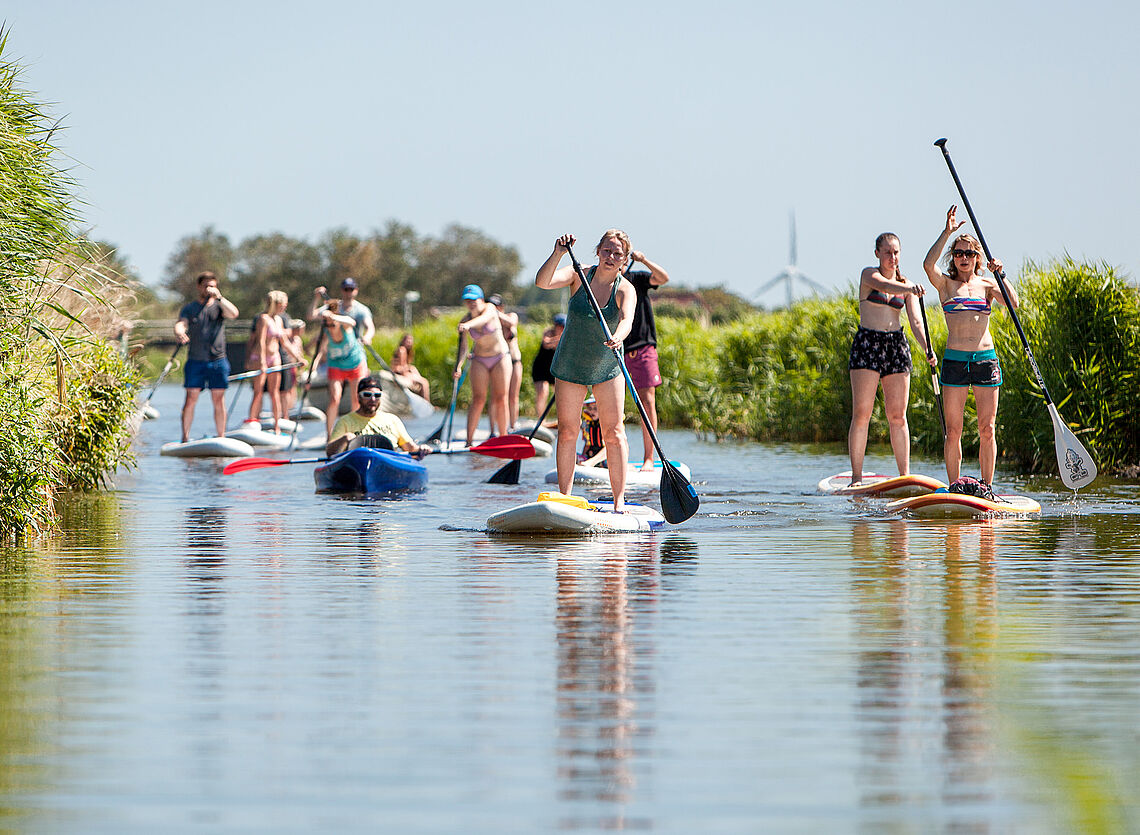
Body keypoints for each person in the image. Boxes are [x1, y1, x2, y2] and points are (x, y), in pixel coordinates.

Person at [536, 230, 637, 513]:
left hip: (607, 365)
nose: (611, 257)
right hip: (570, 364)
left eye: (617, 254)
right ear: (598, 251)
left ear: (624, 259)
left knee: (614, 432)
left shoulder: (624, 288)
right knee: (568, 432)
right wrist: (557, 252)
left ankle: (619, 502)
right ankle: (565, 498)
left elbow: (627, 319)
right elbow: (542, 282)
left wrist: (618, 336)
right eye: (606, 250)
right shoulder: (578, 275)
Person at [923, 205, 1017, 490]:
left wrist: (1001, 274)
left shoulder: (987, 285)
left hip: (984, 360)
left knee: (987, 429)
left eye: (969, 253)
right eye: (959, 253)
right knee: (953, 431)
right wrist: (947, 232)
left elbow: (1012, 303)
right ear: (954, 257)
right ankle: (954, 487)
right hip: (954, 361)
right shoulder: (946, 285)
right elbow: (928, 265)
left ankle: (987, 487)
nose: (964, 258)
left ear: (978, 258)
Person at [847, 233, 936, 485]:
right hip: (868, 344)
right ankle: (856, 477)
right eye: (887, 252)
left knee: (898, 416)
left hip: (896, 345)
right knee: (862, 413)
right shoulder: (869, 275)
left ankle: (904, 476)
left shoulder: (907, 284)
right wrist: (910, 288)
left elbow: (916, 321)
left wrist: (927, 348)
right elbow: (885, 287)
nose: (892, 257)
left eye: (896, 252)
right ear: (877, 253)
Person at [174, 271, 239, 443]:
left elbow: (233, 314)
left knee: (219, 399)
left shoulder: (219, 307)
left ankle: (221, 436)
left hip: (218, 360)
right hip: (196, 360)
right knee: (191, 398)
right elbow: (181, 323)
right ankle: (185, 438)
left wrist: (220, 298)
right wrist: (180, 332)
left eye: (212, 285)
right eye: (206, 285)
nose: (209, 289)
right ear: (199, 287)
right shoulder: (190, 308)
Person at [622, 249, 671, 470]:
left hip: (642, 348)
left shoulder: (637, 278)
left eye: (619, 255)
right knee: (607, 403)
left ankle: (649, 458)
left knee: (647, 401)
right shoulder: (604, 283)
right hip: (616, 349)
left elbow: (663, 278)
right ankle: (603, 455)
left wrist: (643, 260)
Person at [454, 284, 511, 445]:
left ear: (481, 299)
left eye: (474, 299)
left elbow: (484, 319)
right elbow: (463, 347)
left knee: (501, 398)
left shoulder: (490, 309)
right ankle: (469, 441)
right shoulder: (464, 320)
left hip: (500, 357)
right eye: (468, 300)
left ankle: (503, 437)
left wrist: (469, 326)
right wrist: (458, 365)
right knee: (478, 399)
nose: (471, 303)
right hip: (480, 359)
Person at [326, 376, 432, 458]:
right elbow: (329, 453)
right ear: (358, 397)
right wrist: (345, 439)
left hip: (388, 464)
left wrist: (422, 449)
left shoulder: (392, 420)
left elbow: (411, 449)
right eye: (367, 395)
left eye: (377, 396)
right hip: (356, 465)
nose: (373, 399)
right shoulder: (345, 421)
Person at [320, 299, 370, 437]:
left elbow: (352, 322)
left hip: (355, 363)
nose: (330, 326)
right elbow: (311, 315)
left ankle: (354, 432)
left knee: (355, 398)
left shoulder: (344, 325)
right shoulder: (326, 331)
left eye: (332, 324)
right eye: (328, 325)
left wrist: (333, 317)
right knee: (334, 398)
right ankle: (330, 436)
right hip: (336, 365)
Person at [243, 290, 292, 433]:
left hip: (275, 357)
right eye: (283, 304)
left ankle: (277, 425)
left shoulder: (279, 320)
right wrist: (262, 362)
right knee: (258, 391)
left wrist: (299, 357)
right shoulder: (263, 319)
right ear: (276, 304)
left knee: (274, 392)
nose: (284, 307)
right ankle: (252, 420)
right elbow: (260, 341)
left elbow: (285, 342)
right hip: (261, 358)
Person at [488, 293, 523, 431]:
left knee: (513, 396)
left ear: (501, 307)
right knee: (495, 397)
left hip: (514, 361)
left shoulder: (511, 316)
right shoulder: (489, 323)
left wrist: (493, 312)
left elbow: (511, 323)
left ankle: (512, 427)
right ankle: (492, 430)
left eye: (495, 306)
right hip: (498, 363)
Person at [308, 277, 375, 346]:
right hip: (335, 349)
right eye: (346, 289)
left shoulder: (362, 309)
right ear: (342, 290)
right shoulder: (333, 306)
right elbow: (311, 316)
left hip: (354, 349)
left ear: (356, 290)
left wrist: (367, 337)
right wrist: (317, 298)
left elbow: (370, 327)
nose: (348, 292)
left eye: (351, 289)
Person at [530, 312, 565, 419]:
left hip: (555, 368)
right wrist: (560, 338)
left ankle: (562, 419)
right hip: (541, 368)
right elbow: (546, 343)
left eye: (564, 327)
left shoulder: (566, 336)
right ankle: (541, 419)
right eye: (560, 326)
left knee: (561, 394)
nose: (561, 328)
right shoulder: (549, 332)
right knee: (543, 391)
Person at [391, 333, 431, 403]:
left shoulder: (409, 351)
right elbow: (400, 367)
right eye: (407, 340)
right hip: (399, 372)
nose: (409, 342)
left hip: (404, 372)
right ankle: (426, 402)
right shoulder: (402, 350)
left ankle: (424, 402)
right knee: (424, 382)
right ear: (403, 341)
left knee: (421, 379)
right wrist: (410, 369)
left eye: (411, 341)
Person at [279, 318, 306, 420]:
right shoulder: (287, 338)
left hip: (294, 367)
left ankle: (291, 408)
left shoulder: (298, 340)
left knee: (293, 388)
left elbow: (300, 352)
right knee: (286, 390)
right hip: (287, 366)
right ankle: (284, 411)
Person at [578, 396, 605, 466]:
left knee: (610, 447)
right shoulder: (586, 423)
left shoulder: (606, 424)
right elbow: (587, 444)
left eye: (595, 408)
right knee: (571, 455)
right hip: (591, 454)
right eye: (590, 408)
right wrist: (583, 456)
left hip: (604, 457)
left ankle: (591, 462)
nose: (592, 411)